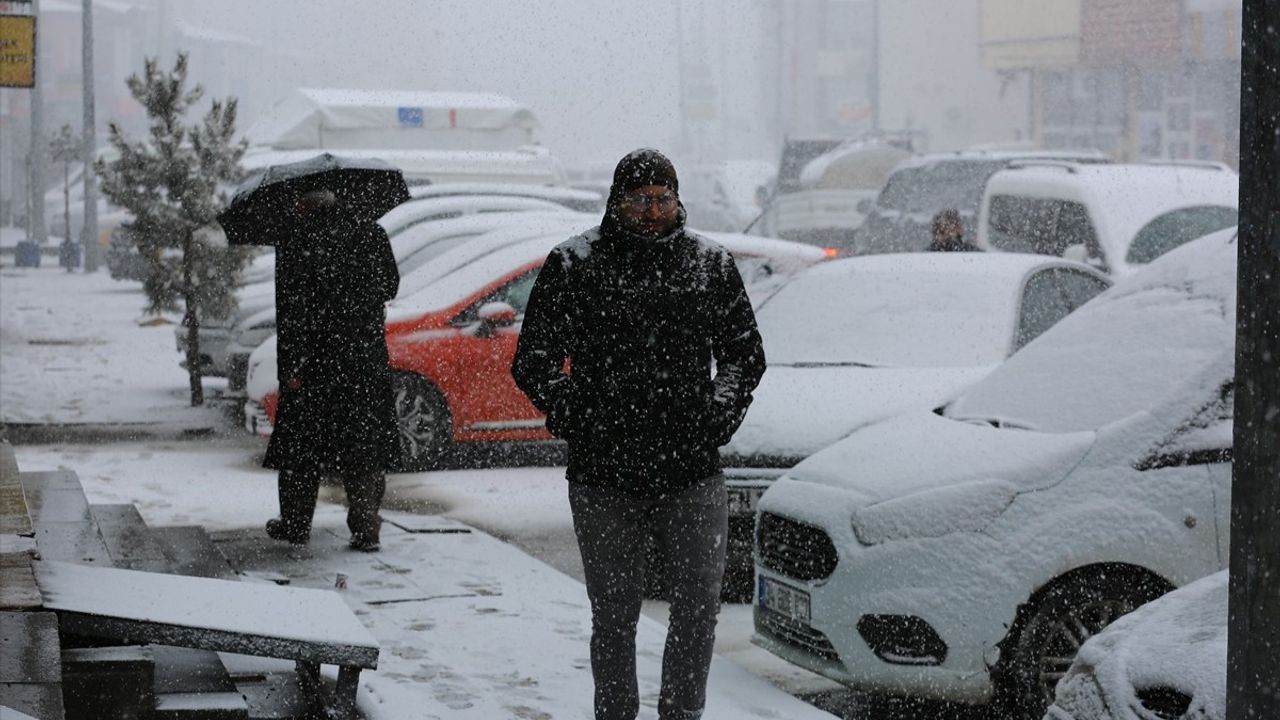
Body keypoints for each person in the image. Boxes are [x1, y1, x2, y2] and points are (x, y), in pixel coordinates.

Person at [512, 148, 766, 720]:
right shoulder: (575, 264)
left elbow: (744, 356)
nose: (652, 211)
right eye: (639, 200)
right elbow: (534, 359)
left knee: (698, 610)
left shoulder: (709, 264)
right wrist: (576, 413)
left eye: (662, 199)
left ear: (678, 200)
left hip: (691, 471)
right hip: (605, 476)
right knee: (614, 613)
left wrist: (717, 414)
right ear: (616, 202)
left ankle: (682, 713)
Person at [262, 185, 400, 552]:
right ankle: (366, 526)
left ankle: (295, 523)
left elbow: (289, 308)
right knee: (363, 446)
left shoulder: (295, 237)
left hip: (313, 364)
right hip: (363, 361)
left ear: (307, 200)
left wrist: (291, 365)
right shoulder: (370, 231)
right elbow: (390, 285)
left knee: (301, 450)